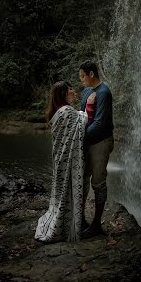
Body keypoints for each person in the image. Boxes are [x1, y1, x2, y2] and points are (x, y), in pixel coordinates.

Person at [34, 81, 96, 243]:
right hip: (66, 160)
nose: (74, 92)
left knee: (62, 190)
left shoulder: (58, 111)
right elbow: (83, 123)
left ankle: (70, 217)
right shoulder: (66, 112)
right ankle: (68, 222)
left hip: (60, 159)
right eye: (70, 90)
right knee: (69, 188)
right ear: (63, 94)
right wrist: (88, 107)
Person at [79, 59, 114, 238]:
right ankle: (81, 220)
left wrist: (79, 137)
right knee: (82, 179)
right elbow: (81, 116)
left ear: (91, 74)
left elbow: (100, 123)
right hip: (86, 143)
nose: (81, 80)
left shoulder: (104, 92)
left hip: (100, 143)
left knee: (98, 182)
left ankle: (96, 224)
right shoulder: (86, 91)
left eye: (83, 76)